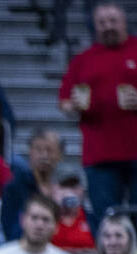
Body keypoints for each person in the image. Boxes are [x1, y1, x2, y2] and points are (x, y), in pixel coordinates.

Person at [58, 2, 137, 231]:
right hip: (99, 156)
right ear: (94, 25)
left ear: (124, 22)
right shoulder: (82, 60)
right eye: (102, 22)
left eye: (113, 21)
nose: (108, 26)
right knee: (105, 221)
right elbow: (63, 101)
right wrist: (72, 106)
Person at [0, 129, 63, 242]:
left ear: (60, 155)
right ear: (30, 152)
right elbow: (9, 229)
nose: (44, 155)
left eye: (50, 150)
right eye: (38, 150)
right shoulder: (14, 187)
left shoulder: (64, 188)